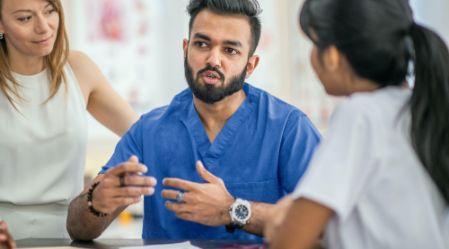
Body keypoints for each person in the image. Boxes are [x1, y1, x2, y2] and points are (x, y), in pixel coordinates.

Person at [66, 0, 321, 243]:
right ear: (186, 49)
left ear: (251, 65)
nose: (213, 59)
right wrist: (96, 202)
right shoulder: (149, 131)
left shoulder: (289, 128)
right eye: (202, 44)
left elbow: (326, 226)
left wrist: (233, 209)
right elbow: (78, 228)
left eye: (230, 50)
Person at [265, 0, 449, 248]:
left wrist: (277, 222)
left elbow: (290, 241)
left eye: (313, 43)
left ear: (331, 56)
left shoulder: (361, 115)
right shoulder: (420, 107)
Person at [0, 0, 139, 239]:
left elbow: (146, 135)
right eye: (25, 18)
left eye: (49, 11)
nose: (44, 27)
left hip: (72, 235)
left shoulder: (78, 68)